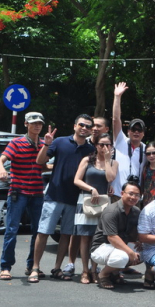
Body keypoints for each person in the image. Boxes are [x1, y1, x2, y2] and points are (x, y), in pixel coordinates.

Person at [31, 114, 96, 282]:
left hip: (75, 199)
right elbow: (40, 161)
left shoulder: (90, 150)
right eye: (81, 124)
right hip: (54, 195)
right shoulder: (59, 142)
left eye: (88, 126)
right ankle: (35, 268)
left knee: (66, 235)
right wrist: (46, 144)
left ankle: (57, 268)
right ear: (75, 126)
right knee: (44, 232)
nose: (84, 128)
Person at [0, 111, 48, 281]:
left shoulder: (44, 144)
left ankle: (32, 266)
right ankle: (5, 266)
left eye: (39, 123)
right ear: (26, 124)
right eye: (33, 123)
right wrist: (3, 170)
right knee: (11, 230)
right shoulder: (17, 143)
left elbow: (43, 166)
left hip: (37, 193)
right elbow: (1, 160)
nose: (37, 126)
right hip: (18, 192)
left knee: (37, 231)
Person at [72, 132, 118, 284]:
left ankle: (94, 270)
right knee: (85, 237)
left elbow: (110, 178)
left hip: (104, 203)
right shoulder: (87, 160)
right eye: (101, 144)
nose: (104, 147)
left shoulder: (113, 162)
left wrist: (106, 159)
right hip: (86, 201)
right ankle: (85, 271)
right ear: (96, 145)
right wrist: (91, 188)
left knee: (98, 238)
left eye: (108, 144)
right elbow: (77, 180)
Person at [90, 180, 143, 289]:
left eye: (137, 195)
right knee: (123, 257)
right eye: (131, 194)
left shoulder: (136, 211)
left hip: (118, 246)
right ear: (122, 193)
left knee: (144, 253)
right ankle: (103, 274)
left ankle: (114, 273)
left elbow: (135, 233)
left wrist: (139, 242)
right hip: (102, 247)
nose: (133, 197)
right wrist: (130, 252)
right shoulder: (111, 210)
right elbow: (112, 237)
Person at [111, 82, 146, 195]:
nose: (136, 132)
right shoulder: (120, 140)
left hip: (136, 195)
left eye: (139, 130)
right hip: (117, 192)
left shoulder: (146, 150)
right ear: (128, 131)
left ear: (143, 134)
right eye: (133, 129)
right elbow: (116, 119)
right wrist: (117, 96)